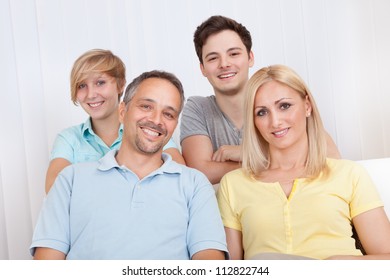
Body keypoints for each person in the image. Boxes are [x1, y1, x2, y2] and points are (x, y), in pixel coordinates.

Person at [30, 70, 228, 260]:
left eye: (168, 114)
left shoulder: (194, 184)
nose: (156, 120)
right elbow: (47, 262)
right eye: (146, 106)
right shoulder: (70, 180)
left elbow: (209, 260)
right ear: (123, 111)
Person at [217, 64, 390, 260]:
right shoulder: (233, 184)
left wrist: (342, 263)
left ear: (307, 106)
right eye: (262, 112)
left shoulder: (349, 174)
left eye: (284, 106)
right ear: (253, 121)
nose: (275, 122)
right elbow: (230, 270)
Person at [180, 15, 340, 185]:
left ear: (250, 58)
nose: (224, 63)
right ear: (202, 68)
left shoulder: (277, 98)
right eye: (213, 58)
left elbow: (332, 158)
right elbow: (200, 172)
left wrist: (247, 153)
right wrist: (268, 160)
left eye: (233, 53)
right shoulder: (198, 108)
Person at [45, 49, 185, 194]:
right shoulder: (69, 139)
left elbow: (180, 182)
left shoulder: (150, 130)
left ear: (120, 84)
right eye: (82, 85)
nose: (91, 94)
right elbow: (55, 192)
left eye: (100, 82)